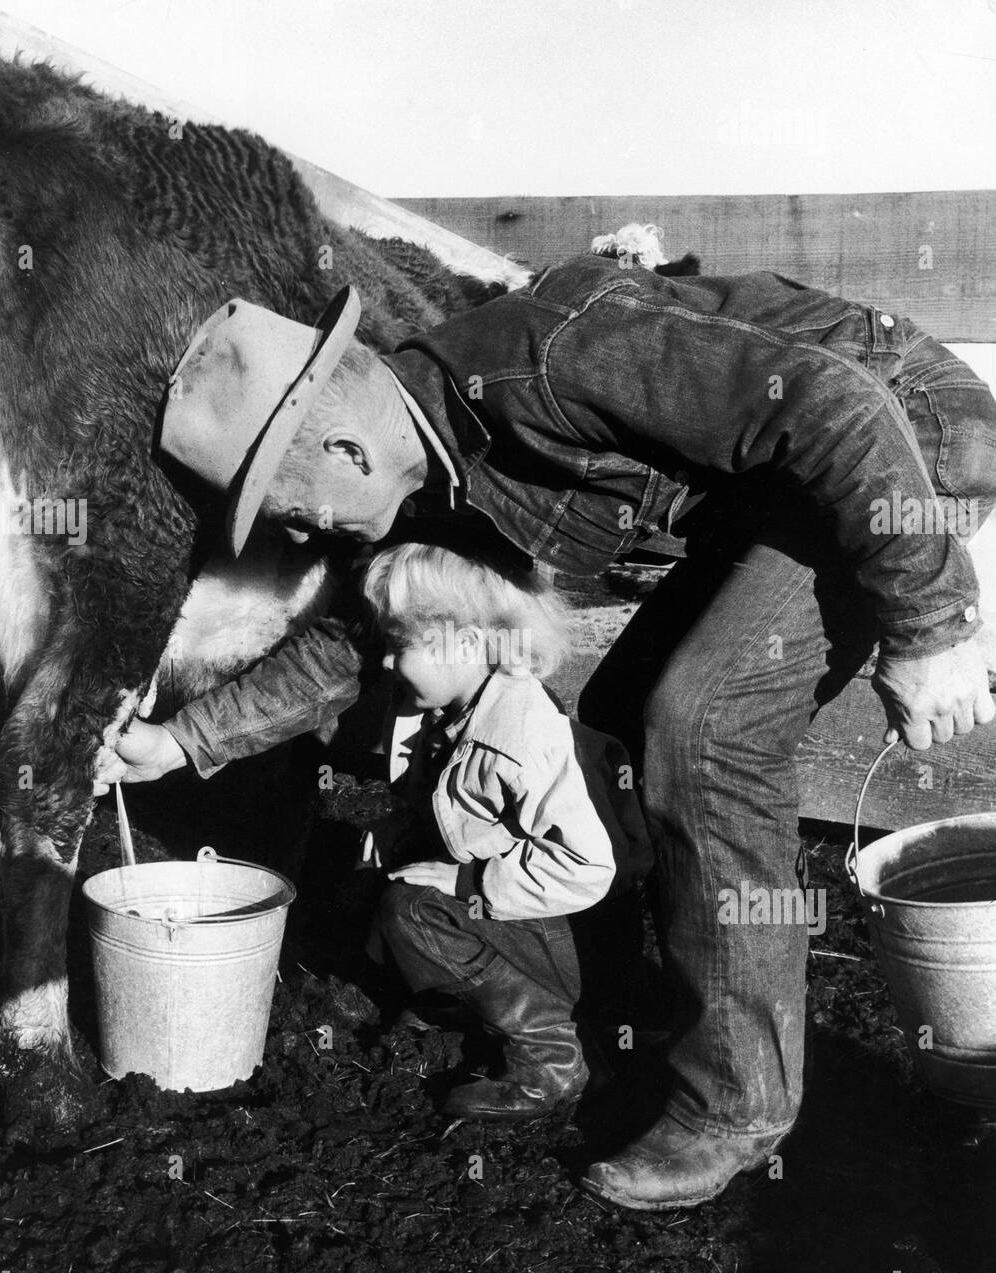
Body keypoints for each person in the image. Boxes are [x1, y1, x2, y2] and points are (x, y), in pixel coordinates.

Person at [99, 254, 996, 1210]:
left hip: (905, 437)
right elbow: (362, 641)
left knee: (704, 730)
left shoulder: (553, 356)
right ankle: (617, 1007)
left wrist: (930, 624)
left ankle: (735, 1108)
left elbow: (834, 405)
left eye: (290, 515)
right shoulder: (433, 473)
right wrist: (182, 739)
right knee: (614, 731)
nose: (307, 540)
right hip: (776, 489)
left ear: (344, 456)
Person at [352, 540, 651, 1120]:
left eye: (399, 646)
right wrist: (397, 828)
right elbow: (449, 803)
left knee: (413, 909)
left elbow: (589, 867)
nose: (386, 664)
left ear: (465, 643)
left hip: (567, 929)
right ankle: (459, 1004)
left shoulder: (516, 739)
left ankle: (552, 1054)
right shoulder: (453, 709)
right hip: (527, 915)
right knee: (388, 880)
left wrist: (470, 883)